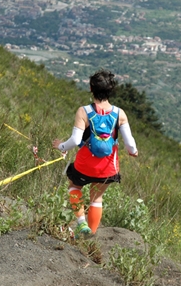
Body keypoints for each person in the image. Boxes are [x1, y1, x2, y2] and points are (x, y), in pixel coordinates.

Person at [52, 69, 138, 237]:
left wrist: (61, 147)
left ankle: (81, 223)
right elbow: (130, 144)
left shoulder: (83, 111)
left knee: (74, 186)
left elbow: (76, 140)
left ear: (91, 89)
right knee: (96, 198)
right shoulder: (120, 114)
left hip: (84, 164)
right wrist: (133, 152)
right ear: (110, 91)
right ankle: (90, 234)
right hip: (108, 167)